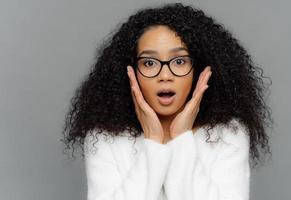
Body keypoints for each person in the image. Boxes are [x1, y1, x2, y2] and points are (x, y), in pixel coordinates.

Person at [61, 2, 273, 200]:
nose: (165, 75)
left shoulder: (228, 134)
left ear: (198, 70)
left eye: (179, 61)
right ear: (131, 71)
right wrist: (153, 140)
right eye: (150, 62)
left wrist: (181, 138)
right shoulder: (104, 138)